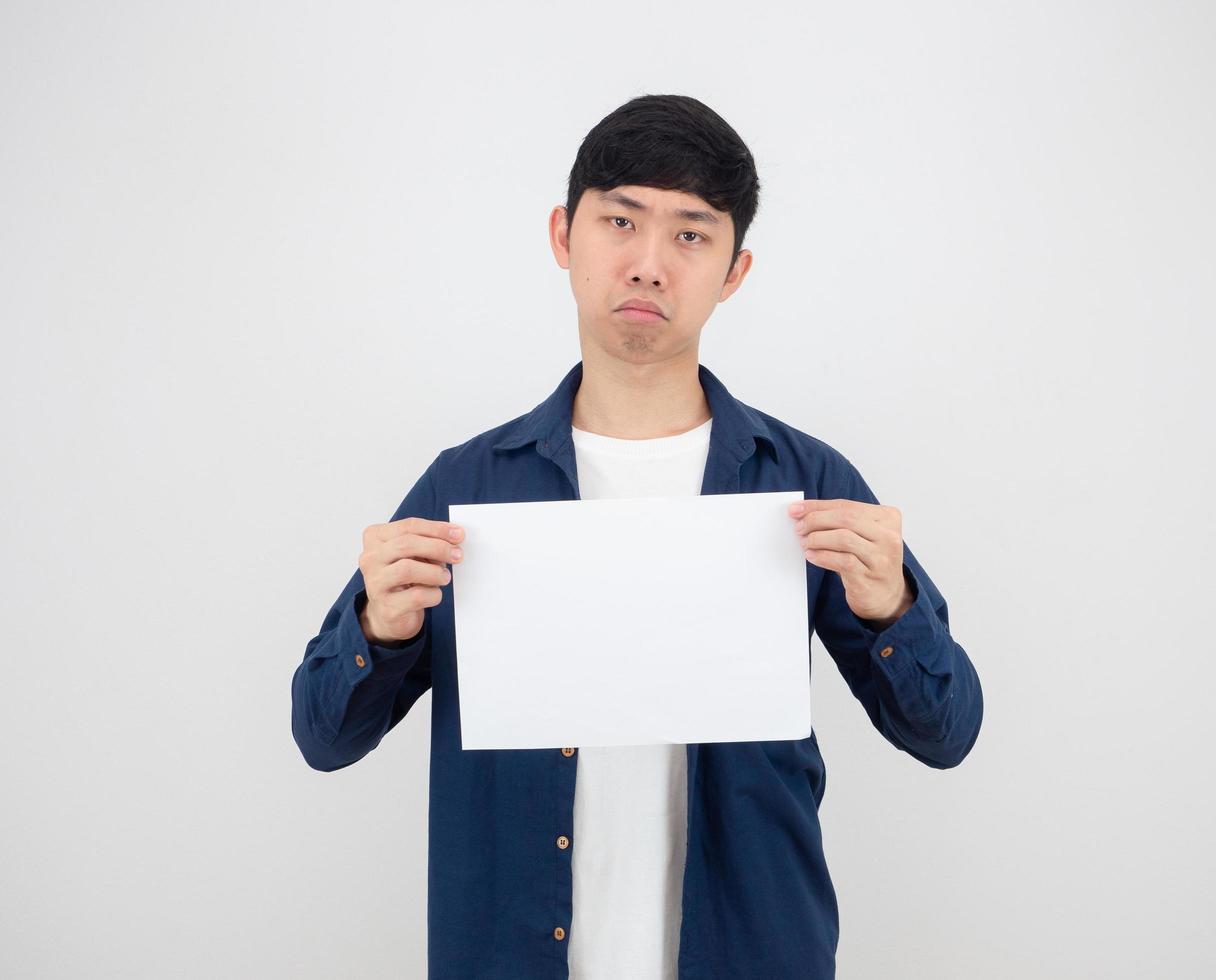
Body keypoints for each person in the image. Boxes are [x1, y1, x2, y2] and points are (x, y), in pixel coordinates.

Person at [290, 93, 983, 980]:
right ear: (562, 236)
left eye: (691, 235)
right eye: (620, 220)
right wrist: (379, 628)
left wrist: (891, 607)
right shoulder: (466, 487)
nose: (649, 263)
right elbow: (323, 735)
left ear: (734, 271)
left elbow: (946, 732)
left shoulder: (804, 484)